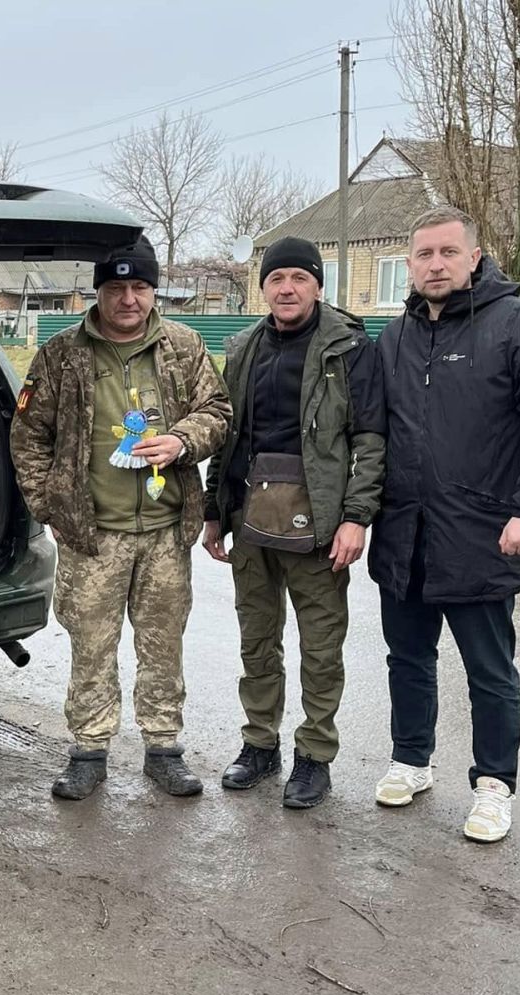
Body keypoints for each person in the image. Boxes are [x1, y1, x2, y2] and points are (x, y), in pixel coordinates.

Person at [11, 235, 232, 800]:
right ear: (99, 292)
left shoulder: (182, 347)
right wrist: (49, 506)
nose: (129, 299)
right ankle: (88, 750)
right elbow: (29, 436)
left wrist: (182, 441)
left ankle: (164, 749)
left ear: (153, 291)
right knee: (91, 645)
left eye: (139, 287)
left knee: (162, 643)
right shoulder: (63, 354)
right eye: (116, 287)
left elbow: (217, 410)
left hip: (163, 533)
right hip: (93, 536)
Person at [370, 206, 520, 842]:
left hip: (481, 531)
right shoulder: (395, 337)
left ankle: (494, 785)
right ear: (411, 264)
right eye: (424, 255)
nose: (435, 264)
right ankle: (411, 759)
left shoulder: (518, 324)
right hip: (405, 535)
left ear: (475, 257)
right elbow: (374, 434)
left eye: (449, 252)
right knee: (408, 657)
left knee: (489, 669)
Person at [202, 237, 385, 808]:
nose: (287, 288)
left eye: (299, 278)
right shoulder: (243, 347)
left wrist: (356, 519)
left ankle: (314, 756)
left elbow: (371, 442)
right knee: (257, 641)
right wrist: (214, 512)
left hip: (320, 525)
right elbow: (228, 439)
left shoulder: (350, 349)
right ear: (263, 287)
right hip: (251, 520)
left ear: (318, 286)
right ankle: (260, 744)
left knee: (321, 646)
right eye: (276, 278)